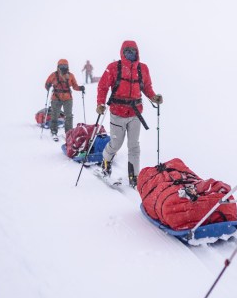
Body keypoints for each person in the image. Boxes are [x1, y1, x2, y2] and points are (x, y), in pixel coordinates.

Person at [96, 40, 163, 188]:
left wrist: (153, 97)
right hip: (117, 113)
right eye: (127, 51)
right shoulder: (113, 67)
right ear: (122, 52)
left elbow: (147, 87)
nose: (130, 54)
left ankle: (134, 176)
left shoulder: (143, 68)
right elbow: (103, 86)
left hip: (135, 114)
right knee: (116, 144)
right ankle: (106, 162)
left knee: (134, 146)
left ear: (137, 52)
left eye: (133, 51)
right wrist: (100, 104)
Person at [44, 58, 85, 141]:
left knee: (69, 116)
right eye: (62, 65)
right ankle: (54, 131)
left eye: (65, 65)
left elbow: (75, 86)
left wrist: (80, 88)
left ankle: (69, 133)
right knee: (54, 115)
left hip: (68, 98)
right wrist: (47, 86)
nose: (63, 67)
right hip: (56, 97)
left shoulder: (70, 75)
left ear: (68, 66)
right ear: (58, 66)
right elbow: (46, 84)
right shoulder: (53, 75)